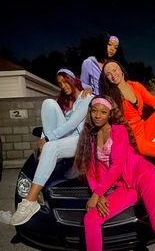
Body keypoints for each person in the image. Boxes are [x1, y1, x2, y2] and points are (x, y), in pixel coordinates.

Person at [74, 95, 155, 251]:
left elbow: (117, 165)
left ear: (110, 114)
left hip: (144, 175)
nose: (97, 115)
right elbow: (90, 170)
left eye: (103, 112)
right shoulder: (90, 137)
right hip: (125, 186)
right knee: (90, 219)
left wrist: (96, 195)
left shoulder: (119, 131)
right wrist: (98, 194)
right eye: (94, 111)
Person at [9, 68, 94, 226]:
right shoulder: (65, 102)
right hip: (67, 138)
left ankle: (30, 201)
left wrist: (48, 139)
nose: (63, 85)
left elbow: (73, 124)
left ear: (72, 78)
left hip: (82, 139)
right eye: (59, 83)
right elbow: (52, 123)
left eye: (64, 80)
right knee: (48, 103)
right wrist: (43, 138)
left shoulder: (87, 96)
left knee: (51, 147)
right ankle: (48, 151)